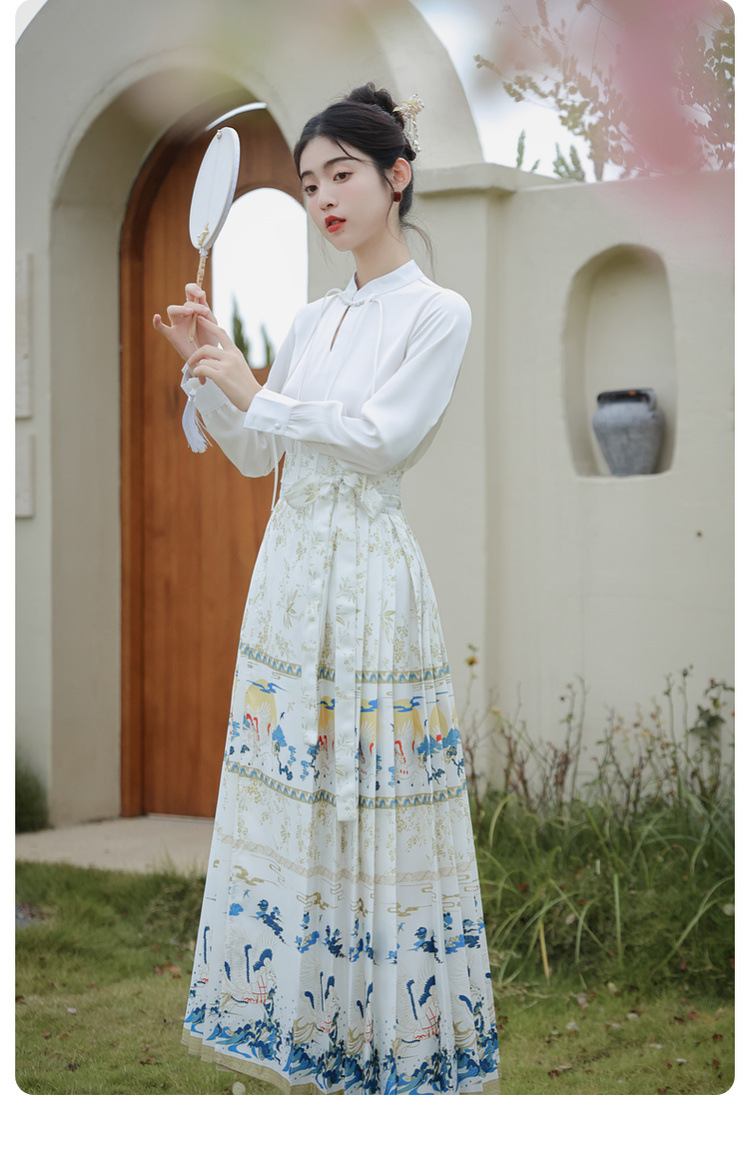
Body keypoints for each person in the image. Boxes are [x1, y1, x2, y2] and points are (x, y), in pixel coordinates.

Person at [153, 82, 499, 1096]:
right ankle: (313, 1035)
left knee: (374, 805)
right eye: (308, 184)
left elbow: (382, 438)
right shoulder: (310, 322)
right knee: (297, 802)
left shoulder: (437, 313)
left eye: (342, 174)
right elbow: (262, 450)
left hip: (372, 585)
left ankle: (393, 1043)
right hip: (291, 582)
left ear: (397, 176)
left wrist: (256, 390)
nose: (324, 198)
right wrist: (214, 372)